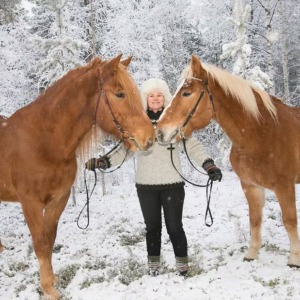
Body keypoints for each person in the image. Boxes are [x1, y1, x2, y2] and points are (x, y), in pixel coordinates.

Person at [86, 78, 222, 277]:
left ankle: (182, 265)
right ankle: (153, 266)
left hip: (172, 184)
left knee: (175, 227)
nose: (156, 99)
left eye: (159, 95)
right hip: (145, 185)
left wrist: (209, 165)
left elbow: (192, 146)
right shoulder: (138, 124)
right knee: (152, 228)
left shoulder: (175, 122)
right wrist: (103, 162)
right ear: (146, 99)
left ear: (165, 98)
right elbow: (125, 150)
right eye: (152, 95)